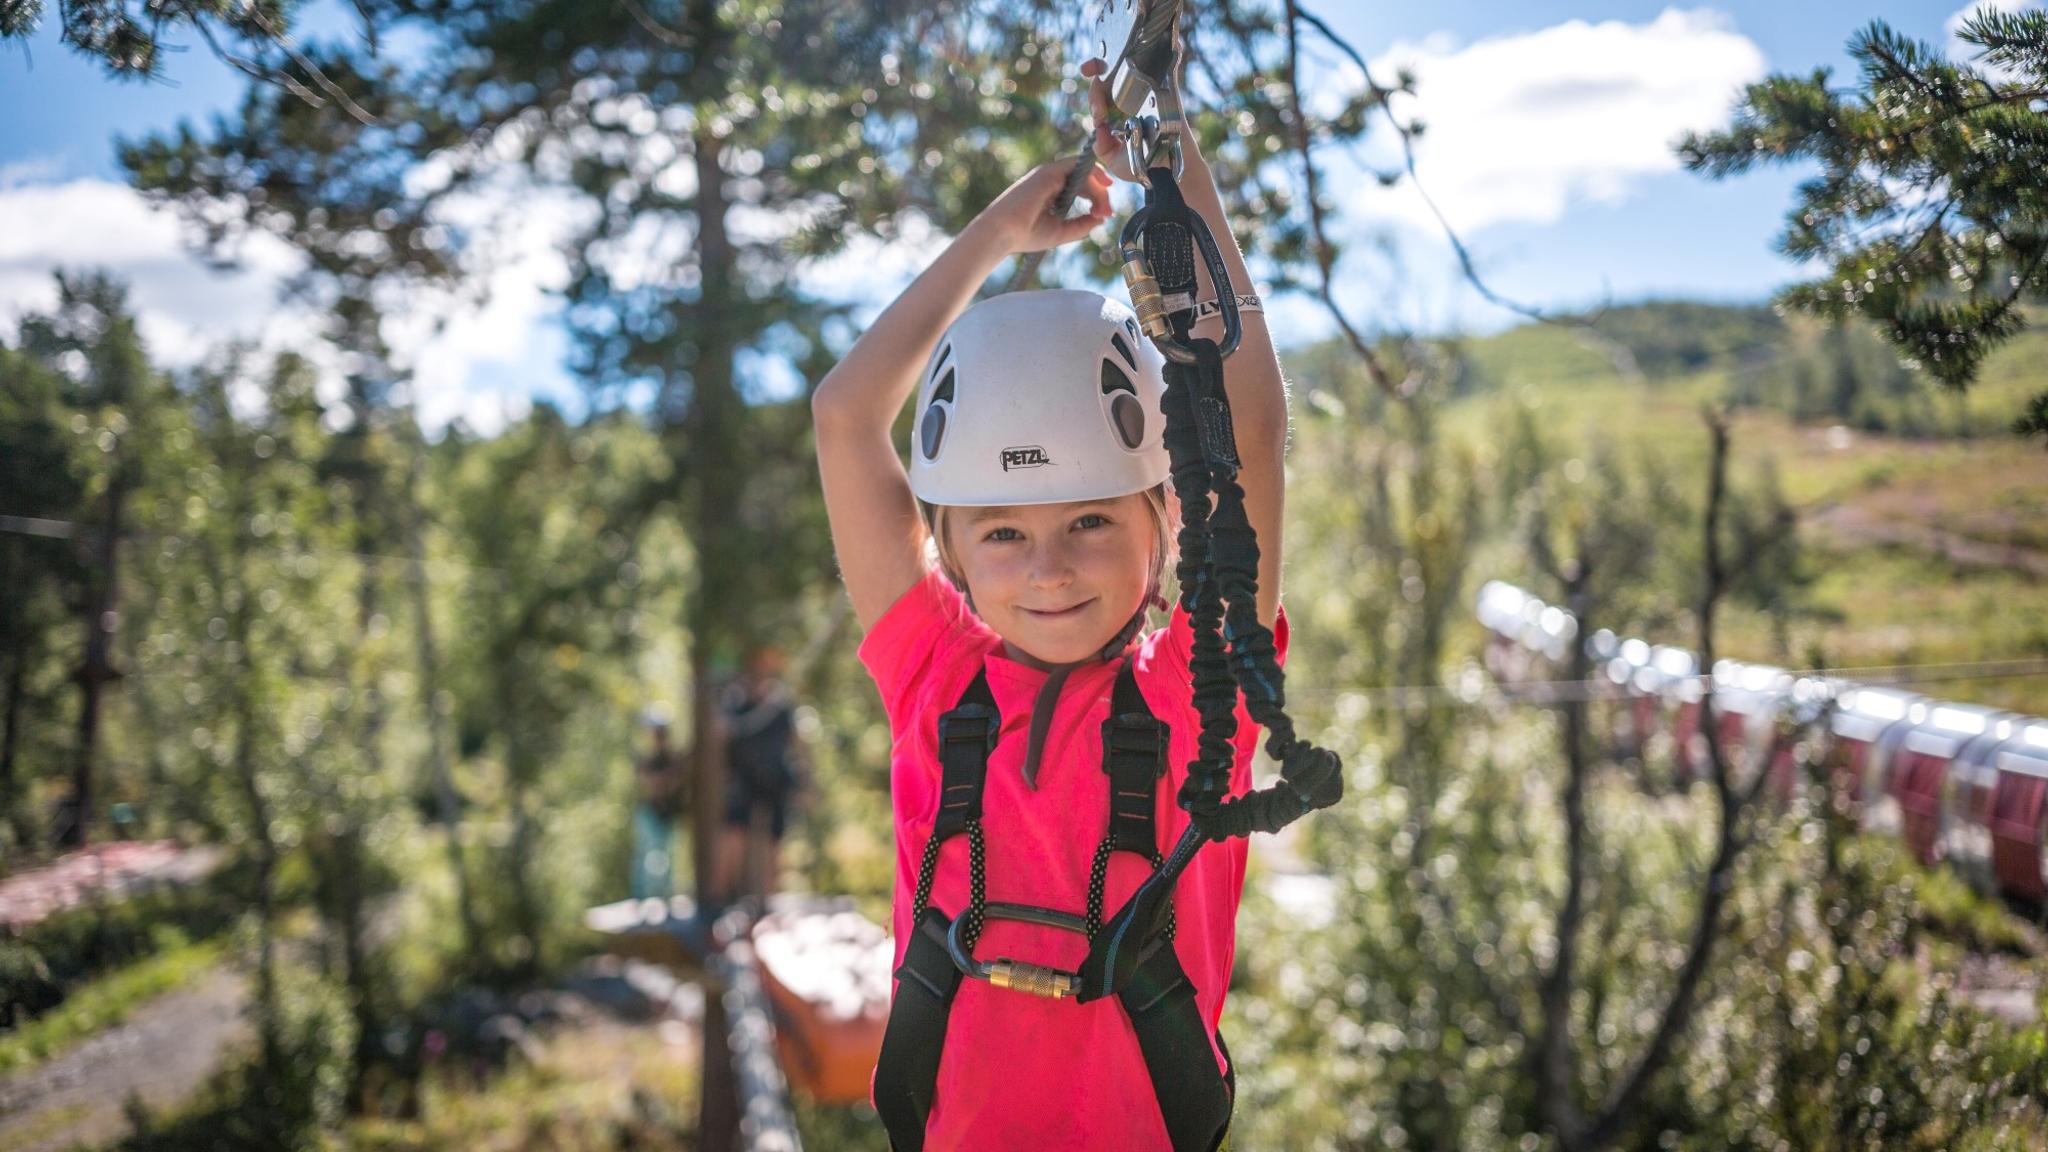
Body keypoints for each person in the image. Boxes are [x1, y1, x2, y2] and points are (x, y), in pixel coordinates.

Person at [809, 56, 1290, 1152]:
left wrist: (1172, 170)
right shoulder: (933, 674)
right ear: (949, 553)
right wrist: (999, 231)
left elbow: (1249, 428)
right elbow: (846, 418)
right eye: (1003, 536)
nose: (1048, 571)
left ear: (1162, 524)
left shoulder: (1196, 691)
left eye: (1088, 523)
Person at [713, 645, 810, 904]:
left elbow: (797, 741)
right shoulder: (736, 701)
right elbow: (722, 733)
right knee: (734, 835)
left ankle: (769, 901)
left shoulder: (782, 703)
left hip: (775, 778)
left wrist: (803, 780)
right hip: (743, 778)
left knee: (774, 841)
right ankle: (722, 900)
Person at [630, 708, 684, 901]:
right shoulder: (648, 758)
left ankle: (662, 896)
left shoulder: (672, 758)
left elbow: (668, 783)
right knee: (646, 857)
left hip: (667, 814)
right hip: (650, 813)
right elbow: (650, 784)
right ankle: (642, 898)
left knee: (664, 857)